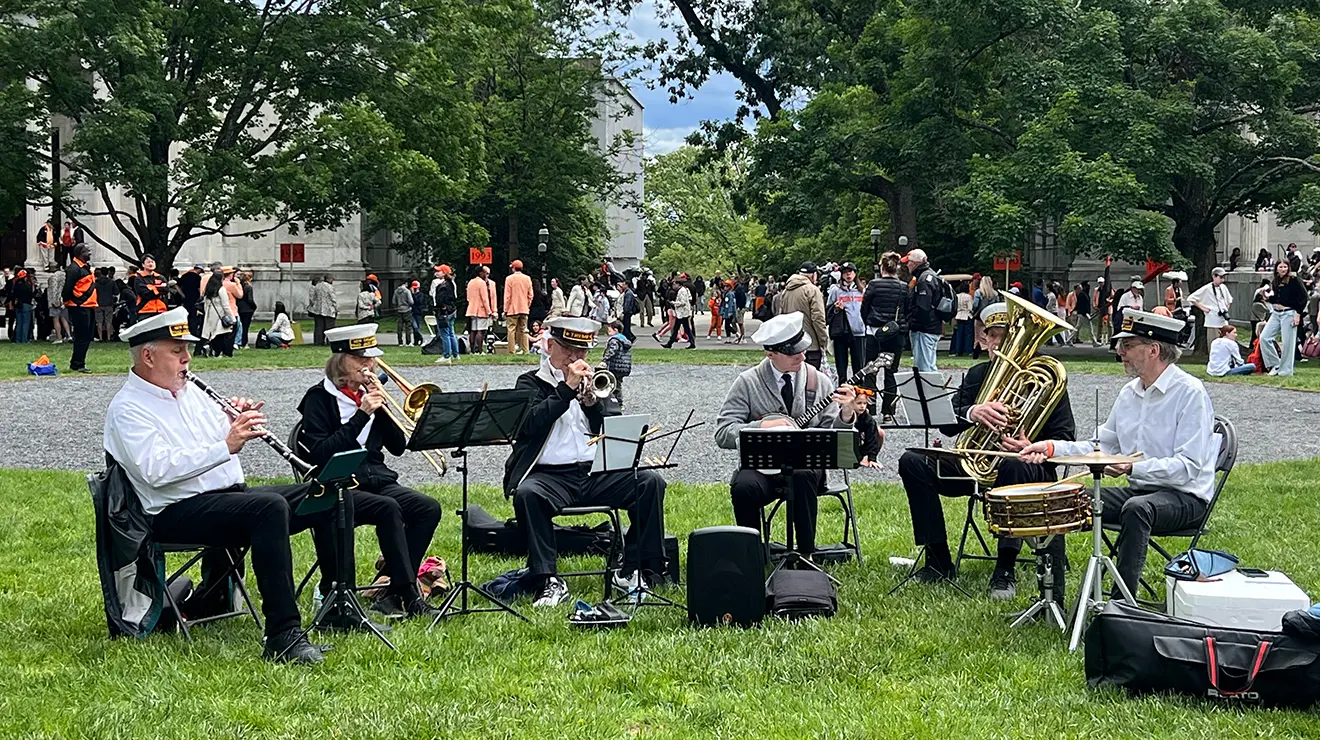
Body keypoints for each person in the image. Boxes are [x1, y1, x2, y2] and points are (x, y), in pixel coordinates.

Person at [102, 308, 333, 663]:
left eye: (186, 350)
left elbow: (213, 440)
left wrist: (231, 420)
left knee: (322, 490)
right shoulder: (128, 408)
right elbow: (156, 470)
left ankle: (337, 603)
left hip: (224, 499)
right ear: (148, 356)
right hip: (172, 512)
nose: (187, 358)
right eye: (177, 350)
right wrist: (226, 444)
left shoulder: (190, 391)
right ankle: (283, 635)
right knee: (269, 509)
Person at [1019, 309, 1217, 598]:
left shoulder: (1190, 393)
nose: (1119, 352)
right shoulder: (1129, 393)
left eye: (1128, 345)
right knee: (1061, 501)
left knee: (1137, 509)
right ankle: (1052, 599)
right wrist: (1051, 448)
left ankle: (1121, 604)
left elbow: (1188, 467)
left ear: (1153, 350)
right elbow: (1102, 447)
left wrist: (1131, 468)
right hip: (1140, 492)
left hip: (1186, 498)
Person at [897, 301, 1074, 599]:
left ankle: (1005, 568)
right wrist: (973, 411)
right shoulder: (978, 374)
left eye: (1006, 337)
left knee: (1012, 466)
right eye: (993, 336)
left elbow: (1066, 436)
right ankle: (938, 558)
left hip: (1025, 464)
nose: (999, 344)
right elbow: (947, 426)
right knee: (912, 461)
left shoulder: (1047, 377)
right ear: (983, 339)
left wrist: (1030, 445)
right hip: (975, 462)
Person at [504, 317, 668, 607]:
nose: (576, 358)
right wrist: (566, 390)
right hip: (550, 475)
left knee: (649, 482)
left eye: (582, 352)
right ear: (549, 345)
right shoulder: (530, 382)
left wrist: (593, 404)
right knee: (529, 494)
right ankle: (547, 579)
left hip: (594, 471)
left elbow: (612, 429)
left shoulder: (596, 381)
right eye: (569, 350)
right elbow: (529, 425)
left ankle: (634, 569)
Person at [296, 324, 443, 620]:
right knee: (387, 508)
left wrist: (384, 409)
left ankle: (391, 587)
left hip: (375, 478)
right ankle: (409, 595)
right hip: (337, 484)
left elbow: (398, 447)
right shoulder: (318, 399)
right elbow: (320, 453)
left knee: (427, 508)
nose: (369, 366)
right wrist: (361, 415)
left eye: (372, 359)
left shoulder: (371, 393)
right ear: (340, 362)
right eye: (361, 360)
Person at [714, 312, 872, 556]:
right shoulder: (747, 382)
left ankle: (806, 554)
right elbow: (723, 432)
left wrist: (847, 413)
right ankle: (751, 555)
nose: (802, 356)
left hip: (807, 468)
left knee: (802, 475)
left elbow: (834, 437)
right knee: (743, 487)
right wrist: (760, 427)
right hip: (761, 468)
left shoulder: (819, 381)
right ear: (770, 353)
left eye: (803, 348)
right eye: (792, 352)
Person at [861, 252, 909, 423]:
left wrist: (869, 321)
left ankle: (869, 407)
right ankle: (888, 411)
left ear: (882, 267)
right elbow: (908, 309)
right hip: (896, 333)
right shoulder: (904, 287)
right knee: (891, 373)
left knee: (871, 370)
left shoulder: (874, 284)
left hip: (874, 332)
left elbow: (864, 307)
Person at [778, 262, 830, 369]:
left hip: (791, 341)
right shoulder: (812, 290)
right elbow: (818, 318)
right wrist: (823, 340)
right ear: (813, 275)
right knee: (810, 379)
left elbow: (781, 315)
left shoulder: (787, 290)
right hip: (810, 344)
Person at [1260, 260, 1306, 376]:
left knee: (1288, 343)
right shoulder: (1276, 281)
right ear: (1276, 268)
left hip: (1289, 313)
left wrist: (1298, 313)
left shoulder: (1294, 280)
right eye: (1280, 267)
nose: (1283, 269)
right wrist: (1266, 297)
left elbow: (1303, 297)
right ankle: (1275, 364)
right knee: (1264, 337)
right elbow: (1276, 298)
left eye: (1285, 267)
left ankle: (1285, 370)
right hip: (1276, 313)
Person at [904, 249, 944, 372]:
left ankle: (931, 391)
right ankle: (933, 390)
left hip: (924, 329)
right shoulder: (931, 276)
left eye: (908, 262)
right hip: (931, 327)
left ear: (915, 263)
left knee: (924, 368)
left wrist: (911, 322)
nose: (907, 265)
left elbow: (923, 307)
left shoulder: (923, 280)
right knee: (928, 365)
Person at [827, 262, 868, 377]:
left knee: (859, 366)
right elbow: (828, 310)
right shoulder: (836, 290)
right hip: (842, 331)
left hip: (858, 331)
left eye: (850, 272)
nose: (848, 275)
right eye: (845, 273)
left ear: (855, 274)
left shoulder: (862, 291)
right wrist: (836, 309)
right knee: (841, 366)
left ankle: (858, 391)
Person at [62, 243, 97, 373]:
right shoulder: (74, 269)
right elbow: (67, 289)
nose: (90, 253)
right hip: (79, 307)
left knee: (87, 336)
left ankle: (78, 362)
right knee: (82, 336)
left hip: (88, 306)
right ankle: (78, 364)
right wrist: (69, 302)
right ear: (80, 254)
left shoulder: (85, 267)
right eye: (87, 251)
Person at [1189, 267, 1233, 349]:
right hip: (1212, 321)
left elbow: (1229, 300)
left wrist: (1225, 309)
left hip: (1223, 320)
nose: (1222, 280)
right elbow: (1191, 298)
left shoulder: (1223, 287)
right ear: (1214, 277)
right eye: (1220, 277)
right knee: (1214, 343)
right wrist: (1204, 309)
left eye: (1223, 277)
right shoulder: (1207, 288)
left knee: (1225, 342)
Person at [202, 271, 236, 357]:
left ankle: (209, 347)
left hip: (210, 313)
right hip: (220, 314)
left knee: (211, 332)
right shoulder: (221, 289)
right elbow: (226, 306)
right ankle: (217, 352)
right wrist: (232, 317)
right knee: (220, 333)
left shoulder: (209, 289)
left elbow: (206, 303)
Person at [430, 265, 459, 363]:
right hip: (452, 310)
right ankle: (456, 354)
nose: (436, 273)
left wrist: (441, 307)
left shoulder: (442, 286)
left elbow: (439, 300)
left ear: (444, 273)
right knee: (451, 333)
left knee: (444, 334)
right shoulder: (451, 284)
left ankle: (447, 355)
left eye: (439, 271)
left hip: (444, 312)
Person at [504, 260, 534, 354]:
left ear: (513, 268)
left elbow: (507, 296)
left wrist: (506, 309)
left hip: (512, 309)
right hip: (524, 308)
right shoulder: (527, 278)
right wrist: (527, 305)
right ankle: (526, 350)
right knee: (524, 330)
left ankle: (511, 351)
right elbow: (531, 295)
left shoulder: (509, 279)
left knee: (511, 330)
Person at [465, 266, 497, 353]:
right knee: (481, 331)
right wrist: (489, 311)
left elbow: (468, 297)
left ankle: (472, 351)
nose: (486, 275)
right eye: (484, 273)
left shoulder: (471, 282)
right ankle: (479, 350)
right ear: (480, 273)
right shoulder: (482, 283)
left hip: (471, 309)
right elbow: (484, 298)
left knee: (473, 330)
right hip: (481, 310)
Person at [601, 319, 632, 406]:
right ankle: (617, 401)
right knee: (617, 384)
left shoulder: (614, 340)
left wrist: (604, 360)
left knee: (613, 384)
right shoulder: (624, 340)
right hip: (623, 367)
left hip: (615, 366)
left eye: (609, 330)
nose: (608, 332)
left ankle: (617, 402)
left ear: (616, 330)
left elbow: (612, 351)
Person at [661, 275, 696, 349]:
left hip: (682, 313)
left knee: (677, 329)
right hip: (682, 313)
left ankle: (670, 343)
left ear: (678, 284)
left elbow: (682, 302)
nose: (673, 286)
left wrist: (674, 303)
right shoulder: (682, 290)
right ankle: (671, 343)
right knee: (682, 329)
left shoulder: (682, 291)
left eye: (674, 284)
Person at [970, 275, 999, 359]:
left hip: (979, 317)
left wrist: (973, 311)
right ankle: (988, 350)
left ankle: (977, 351)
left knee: (978, 336)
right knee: (989, 334)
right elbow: (996, 305)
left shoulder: (978, 292)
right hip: (990, 317)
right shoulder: (995, 293)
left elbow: (975, 305)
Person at [132, 254, 168, 320]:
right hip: (145, 310)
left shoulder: (160, 277)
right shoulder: (139, 278)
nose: (151, 264)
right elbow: (144, 293)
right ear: (143, 265)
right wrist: (158, 289)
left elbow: (165, 290)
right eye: (148, 262)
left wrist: (152, 288)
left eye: (152, 262)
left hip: (161, 310)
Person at [307, 274, 338, 346]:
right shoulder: (330, 287)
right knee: (330, 328)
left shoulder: (317, 286)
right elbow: (333, 299)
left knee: (319, 327)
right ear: (328, 279)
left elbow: (313, 298)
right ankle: (330, 342)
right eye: (332, 279)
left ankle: (318, 342)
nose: (332, 281)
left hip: (317, 310)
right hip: (329, 310)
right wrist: (336, 309)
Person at [46, 265, 69, 344]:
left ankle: (59, 337)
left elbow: (54, 289)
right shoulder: (66, 277)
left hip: (55, 300)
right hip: (63, 300)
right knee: (64, 318)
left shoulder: (54, 277)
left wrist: (55, 301)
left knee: (56, 319)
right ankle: (69, 335)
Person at [950, 282, 974, 356]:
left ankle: (958, 350)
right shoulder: (968, 297)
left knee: (959, 334)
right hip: (967, 315)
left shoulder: (956, 296)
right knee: (968, 334)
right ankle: (967, 350)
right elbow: (970, 308)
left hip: (958, 315)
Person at [9, 269, 32, 343]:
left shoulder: (16, 285)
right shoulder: (27, 286)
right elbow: (31, 294)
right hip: (26, 304)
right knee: (26, 323)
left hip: (18, 305)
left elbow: (13, 295)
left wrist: (12, 304)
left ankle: (18, 339)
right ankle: (24, 340)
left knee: (19, 323)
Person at [392, 280, 414, 347]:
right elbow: (411, 301)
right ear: (406, 283)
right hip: (407, 310)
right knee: (408, 326)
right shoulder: (407, 291)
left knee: (400, 327)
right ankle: (408, 342)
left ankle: (400, 342)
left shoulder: (396, 291)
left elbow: (393, 301)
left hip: (399, 310)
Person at [409, 280, 427, 347]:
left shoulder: (421, 295)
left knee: (417, 327)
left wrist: (413, 294)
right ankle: (416, 341)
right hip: (412, 312)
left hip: (418, 312)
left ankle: (420, 339)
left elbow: (418, 302)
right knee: (414, 327)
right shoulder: (410, 294)